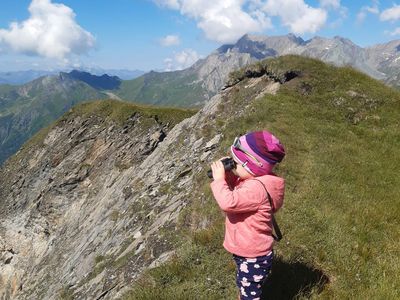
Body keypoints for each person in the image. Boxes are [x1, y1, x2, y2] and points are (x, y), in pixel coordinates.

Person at [210, 130, 285, 300]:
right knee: (246, 284)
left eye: (235, 164)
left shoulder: (255, 189)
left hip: (252, 255)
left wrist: (219, 180)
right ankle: (246, 292)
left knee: (250, 293)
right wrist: (229, 176)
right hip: (250, 250)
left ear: (251, 166)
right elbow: (239, 192)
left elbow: (228, 202)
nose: (232, 166)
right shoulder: (258, 181)